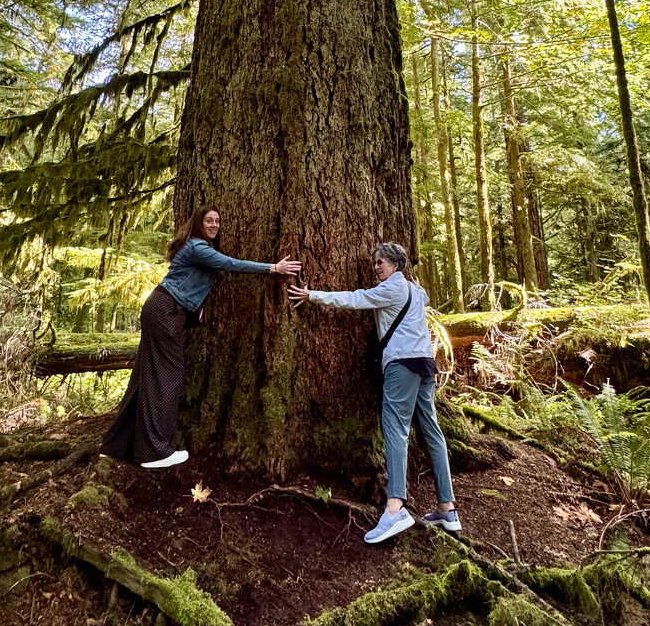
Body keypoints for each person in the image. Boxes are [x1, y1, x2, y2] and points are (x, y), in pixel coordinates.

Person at [102, 204, 301, 468]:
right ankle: (153, 452)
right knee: (167, 378)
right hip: (165, 311)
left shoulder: (195, 247)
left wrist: (194, 313)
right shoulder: (198, 247)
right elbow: (230, 264)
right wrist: (273, 268)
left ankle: (117, 445)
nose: (215, 225)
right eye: (209, 220)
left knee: (145, 377)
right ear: (199, 223)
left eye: (218, 221)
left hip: (160, 308)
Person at [288, 241, 461, 543]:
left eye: (382, 262)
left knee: (395, 429)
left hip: (402, 365)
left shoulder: (392, 289)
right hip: (426, 365)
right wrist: (418, 287)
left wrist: (311, 295)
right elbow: (425, 295)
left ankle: (395, 508)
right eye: (376, 262)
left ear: (396, 266)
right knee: (431, 432)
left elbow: (355, 299)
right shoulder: (415, 292)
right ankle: (448, 509)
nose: (376, 266)